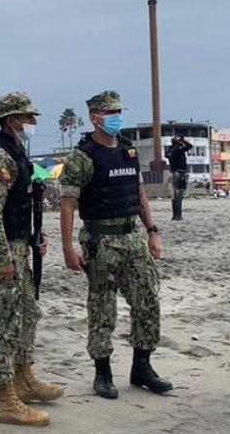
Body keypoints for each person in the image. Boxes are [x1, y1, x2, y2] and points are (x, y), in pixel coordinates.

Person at [59, 91, 171, 400]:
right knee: (102, 306)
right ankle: (103, 372)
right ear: (94, 117)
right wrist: (69, 248)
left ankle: (142, 368)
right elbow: (67, 204)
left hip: (132, 236)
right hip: (100, 239)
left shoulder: (128, 151)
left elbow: (139, 193)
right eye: (109, 112)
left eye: (119, 111)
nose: (115, 117)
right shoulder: (82, 157)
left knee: (148, 299)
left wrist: (152, 231)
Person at [0, 91, 62, 427]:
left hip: (18, 245)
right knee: (5, 325)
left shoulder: (17, 153)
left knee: (28, 313)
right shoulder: (0, 156)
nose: (33, 124)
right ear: (11, 120)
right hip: (4, 250)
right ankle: (5, 400)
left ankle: (24, 381)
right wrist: (3, 256)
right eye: (28, 118)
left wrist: (32, 239)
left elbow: (18, 205)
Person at [165, 135, 192, 220]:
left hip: (173, 173)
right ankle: (178, 215)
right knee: (179, 194)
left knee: (174, 195)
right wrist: (182, 141)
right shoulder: (179, 149)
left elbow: (166, 155)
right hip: (180, 173)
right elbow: (190, 146)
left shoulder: (169, 150)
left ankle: (174, 215)